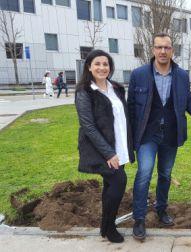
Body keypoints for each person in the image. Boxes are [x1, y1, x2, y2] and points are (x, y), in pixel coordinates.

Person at [128, 33, 191, 240]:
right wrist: (130, 137)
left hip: (170, 134)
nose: (163, 51)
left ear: (172, 51)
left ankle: (161, 209)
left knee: (165, 174)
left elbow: (188, 103)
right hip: (147, 134)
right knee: (144, 173)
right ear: (153, 49)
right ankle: (139, 218)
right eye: (159, 47)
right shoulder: (139, 74)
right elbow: (131, 107)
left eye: (167, 48)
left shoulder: (181, 75)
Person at [75, 49, 134, 243]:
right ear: (89, 67)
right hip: (101, 149)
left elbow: (122, 117)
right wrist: (109, 153)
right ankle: (109, 228)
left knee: (111, 185)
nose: (102, 67)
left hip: (119, 145)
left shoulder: (116, 88)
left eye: (106, 64)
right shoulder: (84, 91)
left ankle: (105, 226)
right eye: (97, 64)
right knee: (118, 182)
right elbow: (88, 126)